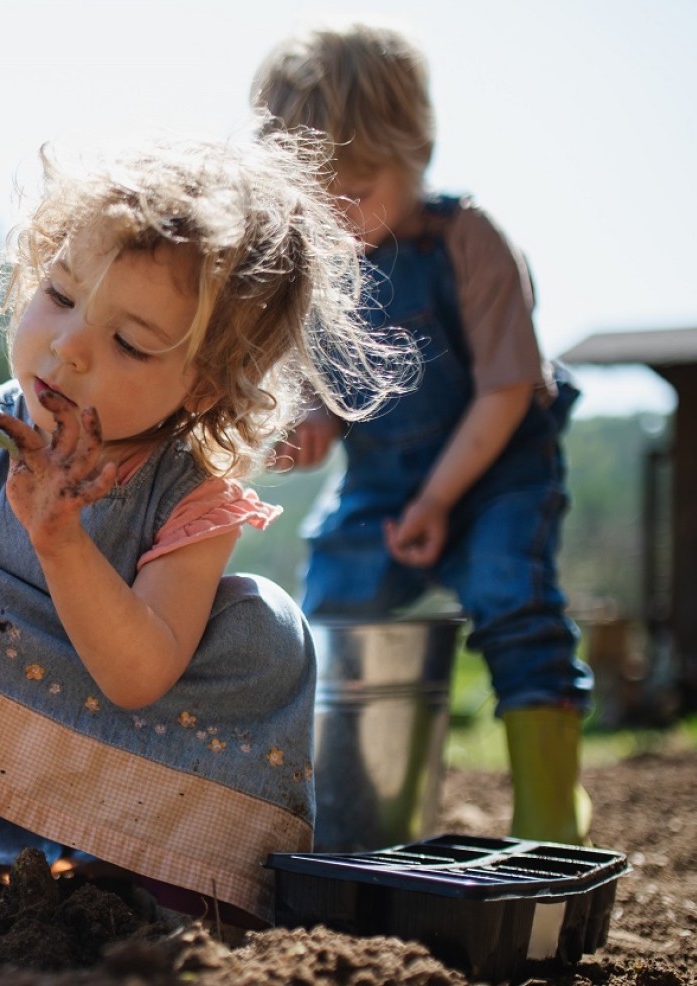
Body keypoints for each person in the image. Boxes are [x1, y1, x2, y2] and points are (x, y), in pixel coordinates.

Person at [0, 133, 407, 927]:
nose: (68, 346)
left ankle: (165, 864)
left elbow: (138, 675)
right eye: (58, 293)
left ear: (203, 386)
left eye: (127, 342)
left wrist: (61, 542)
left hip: (122, 724)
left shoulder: (190, 498)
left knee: (268, 629)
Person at [252, 22, 593, 846]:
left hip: (494, 470)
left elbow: (508, 388)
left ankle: (552, 808)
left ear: (417, 152)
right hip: (380, 480)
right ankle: (340, 813)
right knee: (330, 609)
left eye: (359, 183)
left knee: (514, 600)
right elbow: (323, 400)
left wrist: (440, 498)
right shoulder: (318, 273)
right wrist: (306, 432)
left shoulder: (467, 241)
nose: (337, 212)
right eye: (313, 196)